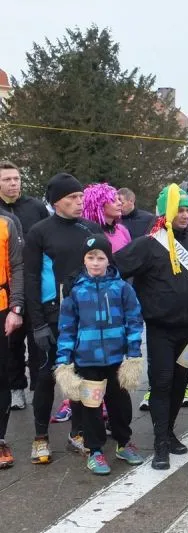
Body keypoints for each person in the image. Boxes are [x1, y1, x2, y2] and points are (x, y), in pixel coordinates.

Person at [115, 184, 188, 470]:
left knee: (180, 381)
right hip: (160, 330)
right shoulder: (147, 245)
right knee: (162, 382)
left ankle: (169, 431)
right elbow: (116, 269)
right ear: (166, 213)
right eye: (180, 210)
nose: (186, 215)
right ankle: (160, 442)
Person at [25, 173, 102, 464]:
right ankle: (40, 437)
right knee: (46, 377)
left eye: (81, 196)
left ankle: (77, 433)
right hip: (51, 316)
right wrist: (37, 323)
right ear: (56, 201)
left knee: (81, 375)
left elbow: (105, 269)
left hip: (85, 315)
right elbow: (31, 279)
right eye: (72, 197)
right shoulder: (39, 232)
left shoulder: (91, 228)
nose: (79, 202)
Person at [54, 234, 144, 474]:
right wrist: (64, 361)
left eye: (101, 258)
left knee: (120, 404)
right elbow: (66, 328)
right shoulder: (75, 291)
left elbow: (134, 321)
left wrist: (133, 354)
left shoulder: (122, 288)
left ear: (109, 260)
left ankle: (124, 443)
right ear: (84, 260)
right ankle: (95, 451)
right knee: (91, 407)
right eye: (91, 258)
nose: (95, 263)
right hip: (87, 360)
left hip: (116, 359)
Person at [0, 160, 49, 411]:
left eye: (16, 179)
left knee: (38, 337)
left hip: (35, 282)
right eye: (7, 179)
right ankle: (16, 388)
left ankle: (40, 389)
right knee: (12, 342)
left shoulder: (36, 207)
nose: (13, 183)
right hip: (7, 287)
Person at [0, 207, 26, 468]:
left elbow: (17, 267)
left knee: (1, 375)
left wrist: (16, 308)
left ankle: (0, 439)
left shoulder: (6, 224)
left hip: (1, 306)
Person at [82, 183, 132, 252]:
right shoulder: (88, 234)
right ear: (98, 205)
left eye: (119, 199)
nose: (120, 203)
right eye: (113, 200)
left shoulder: (122, 230)